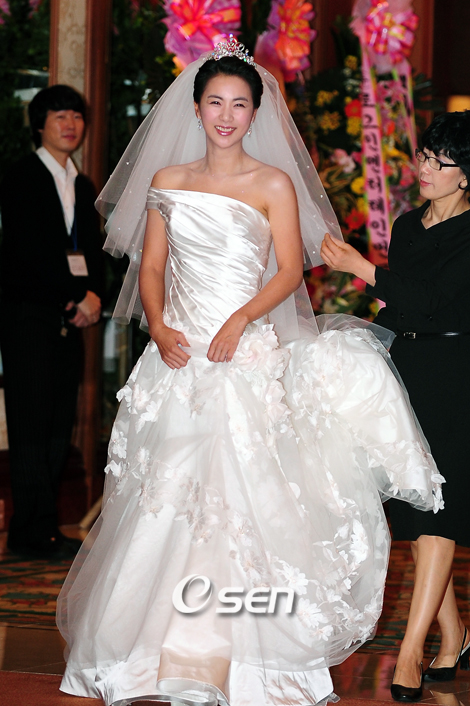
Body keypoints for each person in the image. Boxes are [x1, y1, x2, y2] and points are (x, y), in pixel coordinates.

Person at [57, 40, 443, 706]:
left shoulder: (273, 183)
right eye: (216, 103)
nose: (226, 116)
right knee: (165, 499)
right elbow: (152, 267)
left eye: (240, 104)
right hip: (179, 357)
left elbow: (290, 271)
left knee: (245, 497)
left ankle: (250, 656)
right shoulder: (169, 180)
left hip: (244, 355)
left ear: (255, 112)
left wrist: (240, 320)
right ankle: (147, 653)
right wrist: (160, 325)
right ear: (196, 109)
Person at [320, 110, 470, 702]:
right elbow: (401, 308)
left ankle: (410, 654)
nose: (424, 168)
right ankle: (455, 634)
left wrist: (361, 268)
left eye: (439, 161)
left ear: (466, 175)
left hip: (456, 373)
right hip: (406, 367)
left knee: (438, 512)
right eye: (423, 156)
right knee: (411, 506)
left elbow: (434, 300)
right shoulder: (408, 226)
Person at [0, 85, 103, 559]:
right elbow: (26, 252)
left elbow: (91, 252)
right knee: (31, 423)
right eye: (59, 116)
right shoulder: (20, 177)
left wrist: (94, 296)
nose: (70, 124)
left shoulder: (82, 185)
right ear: (39, 124)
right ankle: (31, 530)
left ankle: (45, 527)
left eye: (76, 116)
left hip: (71, 317)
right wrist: (73, 296)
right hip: (29, 317)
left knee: (60, 423)